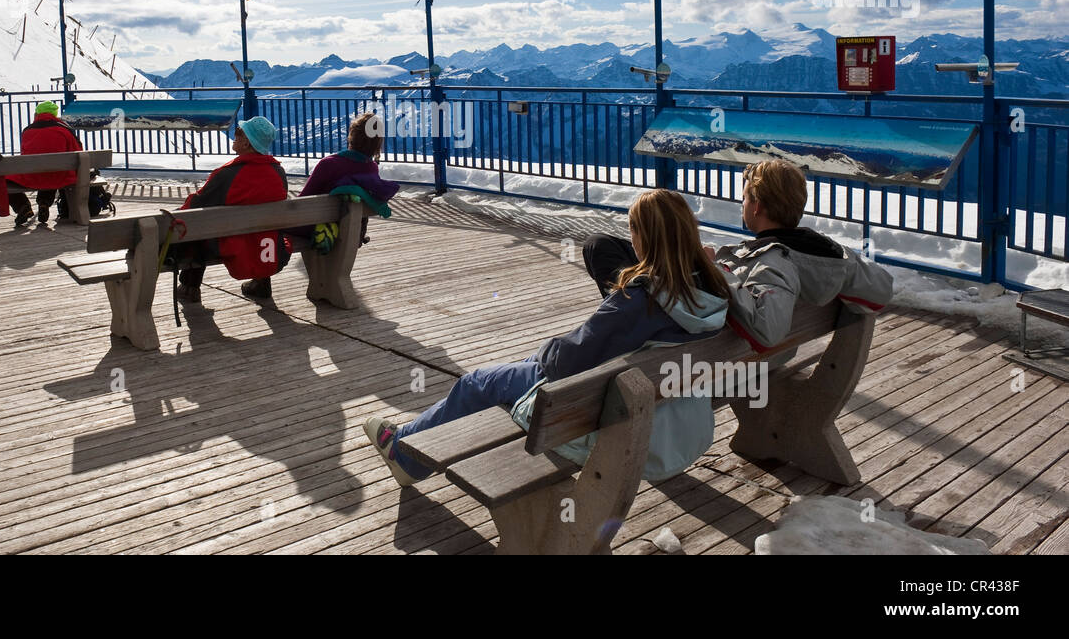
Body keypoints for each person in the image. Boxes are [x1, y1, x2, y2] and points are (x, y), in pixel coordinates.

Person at [364, 189, 731, 487]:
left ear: (644, 238)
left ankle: (403, 453)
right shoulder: (711, 290)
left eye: (633, 231)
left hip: (596, 407)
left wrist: (550, 348)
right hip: (666, 409)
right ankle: (410, 437)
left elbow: (567, 360)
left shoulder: (641, 300)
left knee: (475, 383)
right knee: (517, 368)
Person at [583, 159, 893, 349]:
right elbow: (882, 286)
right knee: (602, 244)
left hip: (697, 343)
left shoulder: (775, 264)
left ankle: (620, 326)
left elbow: (768, 331)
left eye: (744, 198)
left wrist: (713, 269)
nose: (742, 204)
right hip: (707, 316)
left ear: (757, 206)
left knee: (600, 248)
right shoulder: (824, 253)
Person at [170, 115, 291, 304]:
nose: (235, 136)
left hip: (232, 247)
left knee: (197, 224)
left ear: (247, 143)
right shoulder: (278, 172)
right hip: (270, 248)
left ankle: (189, 286)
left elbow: (193, 208)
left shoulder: (228, 175)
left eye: (239, 133)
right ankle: (261, 282)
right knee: (260, 223)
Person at [297, 110, 399, 244]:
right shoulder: (371, 168)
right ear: (377, 144)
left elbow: (303, 201)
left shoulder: (328, 164)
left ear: (352, 136)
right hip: (353, 236)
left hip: (316, 232)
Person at [7, 101, 83, 227]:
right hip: (61, 176)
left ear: (37, 114)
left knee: (5, 179)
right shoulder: (64, 129)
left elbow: (25, 154)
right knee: (52, 171)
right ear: (54, 114)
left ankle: (22, 206)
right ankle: (44, 202)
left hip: (32, 177)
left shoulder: (27, 131)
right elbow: (78, 151)